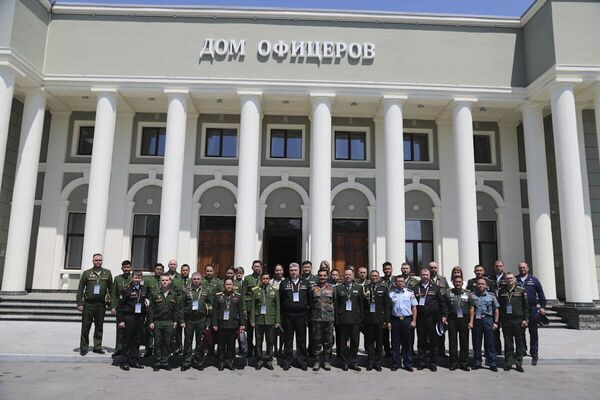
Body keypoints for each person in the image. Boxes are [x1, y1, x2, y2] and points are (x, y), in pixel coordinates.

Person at [76, 253, 113, 356]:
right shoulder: (87, 273)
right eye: (96, 260)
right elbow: (80, 289)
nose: (98, 262)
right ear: (93, 261)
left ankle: (97, 347)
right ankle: (84, 347)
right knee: (85, 326)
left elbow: (111, 289)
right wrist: (79, 303)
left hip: (101, 305)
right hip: (88, 304)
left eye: (100, 260)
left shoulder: (107, 273)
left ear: (102, 261)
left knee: (99, 327)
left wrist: (111, 302)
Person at [413, 267, 447, 371]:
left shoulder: (436, 288)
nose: (425, 277)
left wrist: (444, 315)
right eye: (423, 275)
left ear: (429, 276)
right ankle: (422, 362)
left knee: (434, 341)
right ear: (420, 276)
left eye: (427, 275)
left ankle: (433, 363)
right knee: (421, 341)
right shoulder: (415, 288)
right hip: (420, 319)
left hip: (433, 318)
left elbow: (442, 302)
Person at [279, 262, 310, 370]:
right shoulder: (284, 283)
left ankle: (302, 361)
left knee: (301, 339)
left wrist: (307, 315)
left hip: (301, 315)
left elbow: (309, 299)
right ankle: (287, 361)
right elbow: (281, 299)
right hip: (288, 315)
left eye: (295, 270)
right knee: (288, 339)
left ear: (299, 271)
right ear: (289, 271)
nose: (294, 272)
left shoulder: (306, 283)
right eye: (292, 270)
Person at [148, 273, 182, 371]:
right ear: (160, 281)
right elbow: (151, 309)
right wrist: (151, 321)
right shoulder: (155, 293)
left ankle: (165, 362)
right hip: (157, 322)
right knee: (157, 343)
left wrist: (175, 321)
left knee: (167, 343)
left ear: (170, 281)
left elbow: (176, 310)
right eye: (163, 280)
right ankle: (158, 362)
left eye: (166, 280)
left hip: (169, 322)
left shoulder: (174, 294)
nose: (164, 282)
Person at [116, 269, 148, 371]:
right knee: (127, 341)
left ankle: (134, 361)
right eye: (135, 277)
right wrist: (120, 320)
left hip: (139, 318)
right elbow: (120, 306)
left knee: (137, 340)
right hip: (129, 317)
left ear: (141, 278)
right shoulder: (126, 289)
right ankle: (124, 361)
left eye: (139, 278)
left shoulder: (143, 289)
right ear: (132, 278)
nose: (137, 280)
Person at [212, 278, 246, 370]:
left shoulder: (238, 296)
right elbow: (215, 311)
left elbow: (241, 311)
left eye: (230, 284)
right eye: (227, 284)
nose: (228, 286)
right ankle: (221, 361)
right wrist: (214, 324)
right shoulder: (218, 296)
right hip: (221, 324)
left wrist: (242, 324)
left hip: (233, 324)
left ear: (233, 285)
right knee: (221, 344)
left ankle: (230, 361)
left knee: (231, 344)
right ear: (224, 285)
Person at [180, 272, 211, 371]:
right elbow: (181, 307)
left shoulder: (206, 291)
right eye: (194, 279)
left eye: (198, 279)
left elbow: (210, 305)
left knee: (200, 342)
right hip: (189, 319)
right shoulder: (186, 291)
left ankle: (199, 362)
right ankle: (186, 362)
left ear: (201, 280)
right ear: (191, 279)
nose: (196, 281)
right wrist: (182, 320)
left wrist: (208, 321)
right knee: (188, 342)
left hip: (201, 319)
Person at [517, 261, 546, 365]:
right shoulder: (516, 280)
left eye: (524, 267)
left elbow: (541, 293)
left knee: (533, 332)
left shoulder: (534, 280)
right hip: (520, 310)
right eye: (520, 268)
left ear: (528, 268)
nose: (522, 269)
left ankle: (534, 352)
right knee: (521, 332)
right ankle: (523, 349)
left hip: (532, 309)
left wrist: (543, 307)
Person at [335, 268, 365, 371]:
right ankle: (344, 362)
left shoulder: (359, 288)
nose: (348, 276)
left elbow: (362, 305)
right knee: (342, 342)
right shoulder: (339, 288)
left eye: (350, 275)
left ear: (353, 276)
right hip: (343, 319)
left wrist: (361, 319)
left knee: (355, 341)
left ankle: (353, 361)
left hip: (355, 320)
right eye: (346, 275)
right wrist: (337, 319)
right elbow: (336, 305)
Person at [498, 272, 529, 372]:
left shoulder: (521, 290)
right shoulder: (502, 291)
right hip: (506, 320)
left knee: (519, 342)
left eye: (511, 278)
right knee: (508, 342)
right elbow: (500, 307)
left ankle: (519, 363)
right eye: (507, 278)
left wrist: (525, 319)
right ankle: (508, 362)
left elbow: (525, 307)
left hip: (518, 320)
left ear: (515, 280)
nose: (509, 280)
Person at [250, 272, 280, 370]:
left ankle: (269, 360)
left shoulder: (275, 290)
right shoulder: (255, 290)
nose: (265, 280)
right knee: (259, 341)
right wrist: (252, 320)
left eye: (267, 278)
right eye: (263, 278)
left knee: (270, 341)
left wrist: (277, 321)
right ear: (261, 279)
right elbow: (253, 306)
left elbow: (277, 307)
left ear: (269, 279)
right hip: (259, 320)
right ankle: (259, 360)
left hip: (270, 320)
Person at [469, 278, 499, 372]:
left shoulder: (491, 296)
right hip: (477, 321)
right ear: (476, 285)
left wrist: (496, 322)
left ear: (486, 286)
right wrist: (471, 322)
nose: (480, 285)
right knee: (477, 343)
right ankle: (477, 362)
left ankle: (492, 363)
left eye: (482, 284)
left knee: (490, 343)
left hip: (488, 319)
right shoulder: (473, 296)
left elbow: (496, 309)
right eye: (479, 284)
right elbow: (471, 309)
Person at [308, 268, 336, 371]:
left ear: (327, 276)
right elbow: (310, 303)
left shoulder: (332, 289)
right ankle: (317, 361)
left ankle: (326, 361)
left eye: (324, 275)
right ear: (318, 276)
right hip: (316, 319)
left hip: (328, 319)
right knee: (316, 340)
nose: (322, 277)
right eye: (320, 275)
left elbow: (335, 303)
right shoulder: (313, 289)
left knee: (328, 341)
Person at [363, 270, 390, 371]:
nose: (374, 277)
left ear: (379, 277)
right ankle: (370, 361)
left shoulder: (383, 288)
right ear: (369, 277)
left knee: (379, 342)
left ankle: (378, 362)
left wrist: (387, 320)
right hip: (368, 319)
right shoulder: (365, 287)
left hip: (380, 319)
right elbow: (363, 304)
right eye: (372, 276)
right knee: (369, 342)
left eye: (376, 276)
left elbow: (387, 305)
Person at [388, 275, 417, 371]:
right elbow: (388, 309)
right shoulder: (391, 294)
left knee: (407, 343)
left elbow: (414, 307)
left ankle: (407, 363)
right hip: (395, 320)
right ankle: (396, 363)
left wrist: (414, 320)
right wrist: (388, 321)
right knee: (395, 343)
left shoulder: (409, 293)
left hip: (406, 320)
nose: (400, 283)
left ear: (404, 282)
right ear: (395, 283)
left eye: (401, 281)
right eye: (398, 281)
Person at [445, 276, 471, 371]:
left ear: (462, 283)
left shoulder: (468, 293)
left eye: (459, 282)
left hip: (464, 318)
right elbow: (445, 306)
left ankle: (464, 363)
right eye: (456, 282)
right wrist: (444, 317)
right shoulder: (448, 292)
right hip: (452, 319)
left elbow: (471, 307)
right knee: (453, 341)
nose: (458, 283)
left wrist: (471, 321)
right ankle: (453, 363)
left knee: (464, 341)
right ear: (453, 282)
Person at [111, 260, 132, 358]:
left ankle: (129, 349)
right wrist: (113, 307)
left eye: (128, 267)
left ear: (131, 268)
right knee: (120, 329)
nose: (126, 269)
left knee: (131, 330)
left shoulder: (134, 278)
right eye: (125, 267)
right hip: (120, 308)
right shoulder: (117, 279)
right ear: (122, 268)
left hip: (131, 308)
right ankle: (118, 349)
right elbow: (114, 294)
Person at [142, 263, 164, 357]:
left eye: (160, 269)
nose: (159, 270)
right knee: (150, 330)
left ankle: (158, 349)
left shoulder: (165, 280)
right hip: (151, 308)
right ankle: (149, 348)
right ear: (154, 270)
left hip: (162, 308)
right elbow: (144, 293)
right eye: (157, 269)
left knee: (160, 331)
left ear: (163, 270)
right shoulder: (148, 280)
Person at [242, 260, 263, 357]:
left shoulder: (264, 278)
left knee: (259, 332)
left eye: (258, 266)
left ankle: (258, 351)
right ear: (252, 268)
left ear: (261, 267)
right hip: (250, 308)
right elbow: (243, 294)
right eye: (255, 266)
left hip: (260, 308)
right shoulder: (247, 279)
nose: (257, 268)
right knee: (250, 332)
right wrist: (244, 308)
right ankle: (250, 351)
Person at [489, 260, 508, 354]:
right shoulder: (490, 278)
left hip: (504, 308)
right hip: (493, 308)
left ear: (503, 267)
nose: (498, 267)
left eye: (500, 266)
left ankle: (508, 350)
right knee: (494, 330)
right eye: (497, 266)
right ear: (494, 267)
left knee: (506, 331)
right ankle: (497, 350)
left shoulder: (507, 278)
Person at [269, 264, 285, 356]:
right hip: (273, 310)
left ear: (283, 271)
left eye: (280, 270)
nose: (279, 272)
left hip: (283, 310)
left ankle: (280, 349)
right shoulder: (271, 282)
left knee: (282, 331)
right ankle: (274, 348)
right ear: (274, 271)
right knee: (274, 332)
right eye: (277, 270)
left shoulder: (286, 281)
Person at [380, 262, 395, 358]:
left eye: (389, 269)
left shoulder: (396, 279)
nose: (387, 271)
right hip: (384, 310)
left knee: (395, 332)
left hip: (395, 309)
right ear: (383, 270)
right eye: (385, 269)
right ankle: (387, 351)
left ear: (392, 269)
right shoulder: (380, 280)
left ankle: (394, 351)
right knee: (384, 332)